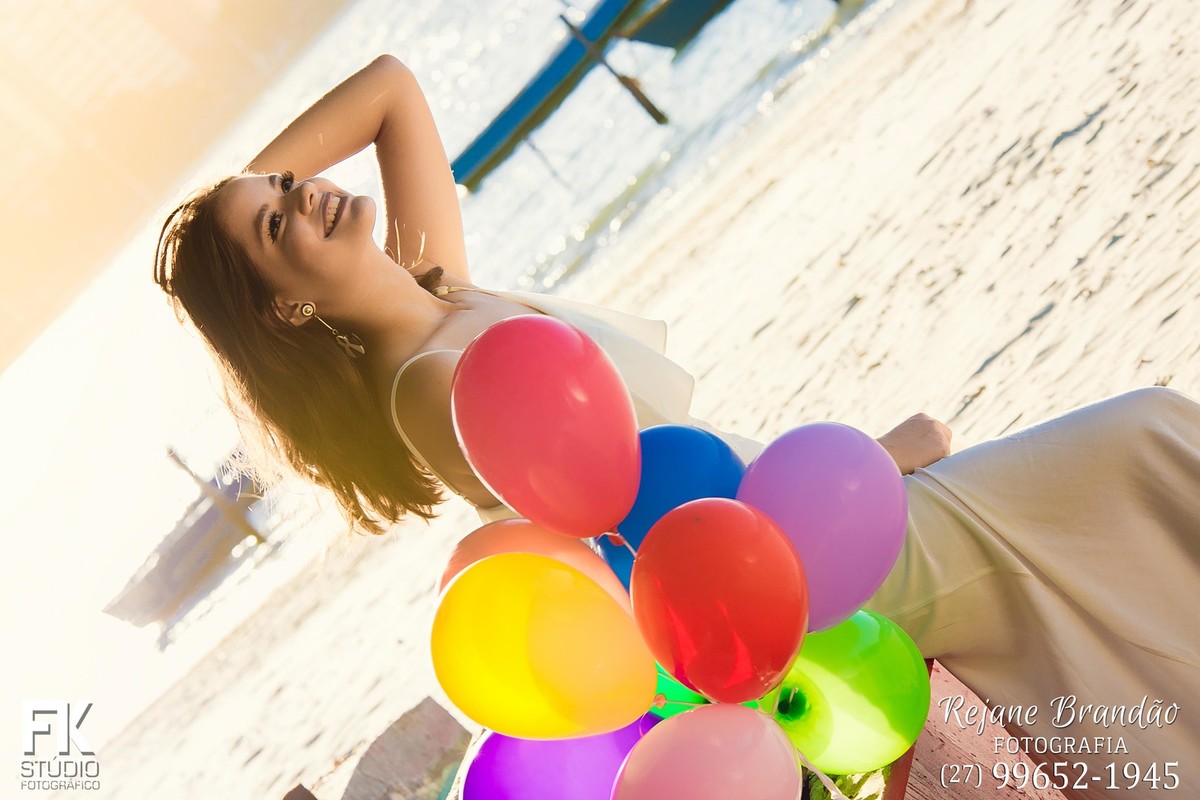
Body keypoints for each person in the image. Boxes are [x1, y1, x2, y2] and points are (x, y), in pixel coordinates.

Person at [155, 55, 1198, 798]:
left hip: (812, 540)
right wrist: (875, 463)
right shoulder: (428, 386)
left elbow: (390, 86)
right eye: (283, 223)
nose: (312, 194)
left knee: (1121, 522)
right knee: (1144, 449)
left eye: (293, 184)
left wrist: (234, 214)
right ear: (284, 309)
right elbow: (641, 537)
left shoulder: (439, 293)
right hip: (809, 586)